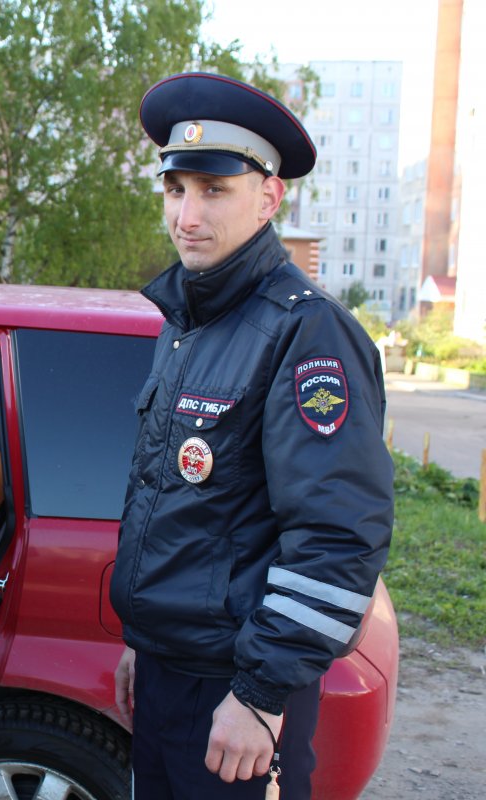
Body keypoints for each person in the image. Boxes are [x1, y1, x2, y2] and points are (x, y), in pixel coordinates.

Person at [110, 72, 393, 800]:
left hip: (237, 696)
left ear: (269, 197)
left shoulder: (306, 330)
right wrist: (145, 646)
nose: (188, 215)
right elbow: (174, 501)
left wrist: (261, 697)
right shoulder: (186, 322)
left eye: (213, 189)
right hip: (169, 674)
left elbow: (337, 539)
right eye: (176, 190)